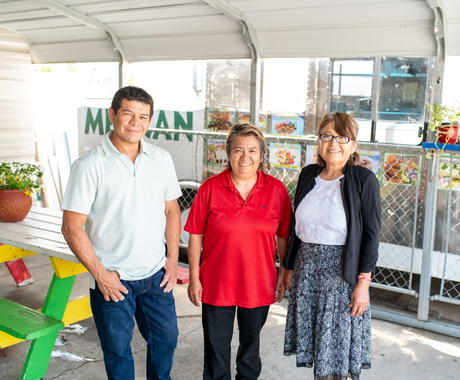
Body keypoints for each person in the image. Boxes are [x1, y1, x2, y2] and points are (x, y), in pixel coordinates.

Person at [61, 86, 182, 380]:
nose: (135, 122)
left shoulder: (161, 159)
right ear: (113, 115)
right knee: (117, 352)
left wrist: (172, 258)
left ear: (149, 120)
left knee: (166, 340)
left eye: (143, 116)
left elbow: (172, 211)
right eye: (128, 113)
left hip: (156, 275)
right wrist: (100, 275)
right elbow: (71, 226)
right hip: (112, 280)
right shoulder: (88, 165)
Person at [185, 123, 292, 380]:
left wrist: (283, 273)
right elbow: (195, 236)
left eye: (252, 150)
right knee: (216, 348)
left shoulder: (276, 190)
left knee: (250, 349)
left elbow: (283, 237)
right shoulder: (210, 188)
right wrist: (194, 278)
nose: (245, 157)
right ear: (228, 153)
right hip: (216, 282)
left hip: (258, 282)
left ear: (262, 156)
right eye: (238, 150)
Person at [283, 112, 382, 380]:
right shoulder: (307, 175)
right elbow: (297, 228)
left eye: (342, 137)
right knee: (320, 353)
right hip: (307, 273)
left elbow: (372, 235)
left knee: (337, 360)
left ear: (353, 145)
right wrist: (288, 268)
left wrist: (363, 284)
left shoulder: (363, 180)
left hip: (342, 279)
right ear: (319, 141)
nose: (333, 143)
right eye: (327, 135)